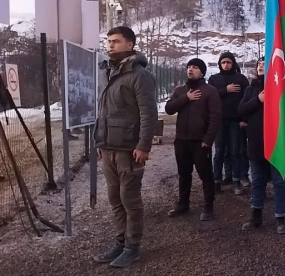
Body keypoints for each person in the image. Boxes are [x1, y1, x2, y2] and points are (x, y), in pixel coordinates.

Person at [93, 26, 157, 268]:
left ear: (130, 45)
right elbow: (104, 111)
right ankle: (119, 243)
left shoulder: (139, 74)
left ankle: (133, 247)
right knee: (114, 199)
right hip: (109, 147)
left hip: (130, 149)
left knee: (129, 199)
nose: (110, 45)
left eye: (116, 41)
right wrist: (101, 141)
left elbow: (148, 113)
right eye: (109, 41)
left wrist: (144, 145)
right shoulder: (108, 72)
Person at [238, 57, 285, 235]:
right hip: (256, 143)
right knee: (257, 181)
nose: (261, 67)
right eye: (259, 65)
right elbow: (241, 111)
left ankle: (280, 218)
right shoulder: (250, 89)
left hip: (277, 143)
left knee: (279, 182)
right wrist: (259, 99)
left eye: (265, 65)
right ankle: (256, 215)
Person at [164, 58, 222, 221]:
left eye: (195, 67)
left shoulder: (210, 91)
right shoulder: (180, 90)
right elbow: (169, 109)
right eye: (189, 67)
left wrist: (208, 140)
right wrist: (186, 98)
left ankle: (208, 207)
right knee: (184, 174)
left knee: (205, 175)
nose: (190, 69)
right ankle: (183, 204)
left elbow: (215, 117)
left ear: (202, 72)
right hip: (181, 140)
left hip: (200, 142)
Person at [208, 52, 250, 194]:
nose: (226, 65)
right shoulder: (214, 79)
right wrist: (226, 90)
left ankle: (237, 180)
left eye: (228, 62)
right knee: (219, 151)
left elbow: (247, 99)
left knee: (236, 151)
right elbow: (211, 96)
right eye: (223, 62)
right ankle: (216, 181)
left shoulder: (241, 79)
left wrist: (244, 118)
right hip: (219, 120)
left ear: (233, 63)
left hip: (236, 121)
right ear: (220, 64)